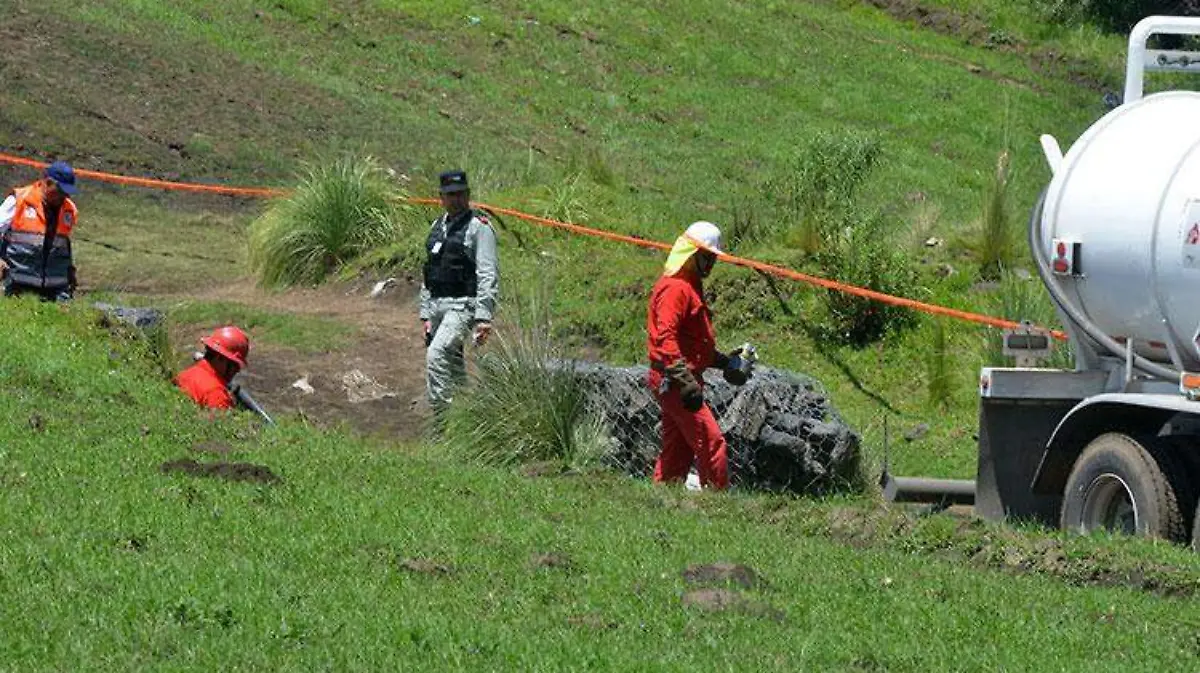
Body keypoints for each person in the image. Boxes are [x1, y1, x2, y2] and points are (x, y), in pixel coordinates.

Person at [646, 221, 746, 491]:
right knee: (711, 442)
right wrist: (684, 379)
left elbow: (693, 344)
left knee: (677, 450)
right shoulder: (676, 289)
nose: (712, 264)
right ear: (692, 254)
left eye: (714, 258)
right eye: (708, 257)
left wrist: (724, 362)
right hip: (675, 379)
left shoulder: (689, 286)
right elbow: (665, 338)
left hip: (679, 377)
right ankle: (717, 503)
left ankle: (663, 499)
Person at [419, 169, 499, 412]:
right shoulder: (437, 226)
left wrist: (484, 316)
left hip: (463, 305)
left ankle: (441, 420)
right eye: (450, 195)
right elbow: (429, 270)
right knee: (453, 365)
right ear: (441, 197)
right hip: (437, 305)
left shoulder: (479, 227)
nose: (456, 199)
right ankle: (467, 416)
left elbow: (488, 272)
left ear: (468, 194)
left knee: (436, 355)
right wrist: (425, 313)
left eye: (460, 194)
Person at [0, 161, 81, 301]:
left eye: (67, 193)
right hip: (17, 284)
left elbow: (63, 245)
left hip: (56, 289)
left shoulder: (69, 210)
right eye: (60, 191)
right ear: (48, 183)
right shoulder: (19, 200)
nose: (64, 197)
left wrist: (69, 270)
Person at [176, 326, 251, 410]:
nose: (237, 370)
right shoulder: (216, 395)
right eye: (235, 364)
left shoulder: (185, 375)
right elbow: (221, 422)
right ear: (219, 358)